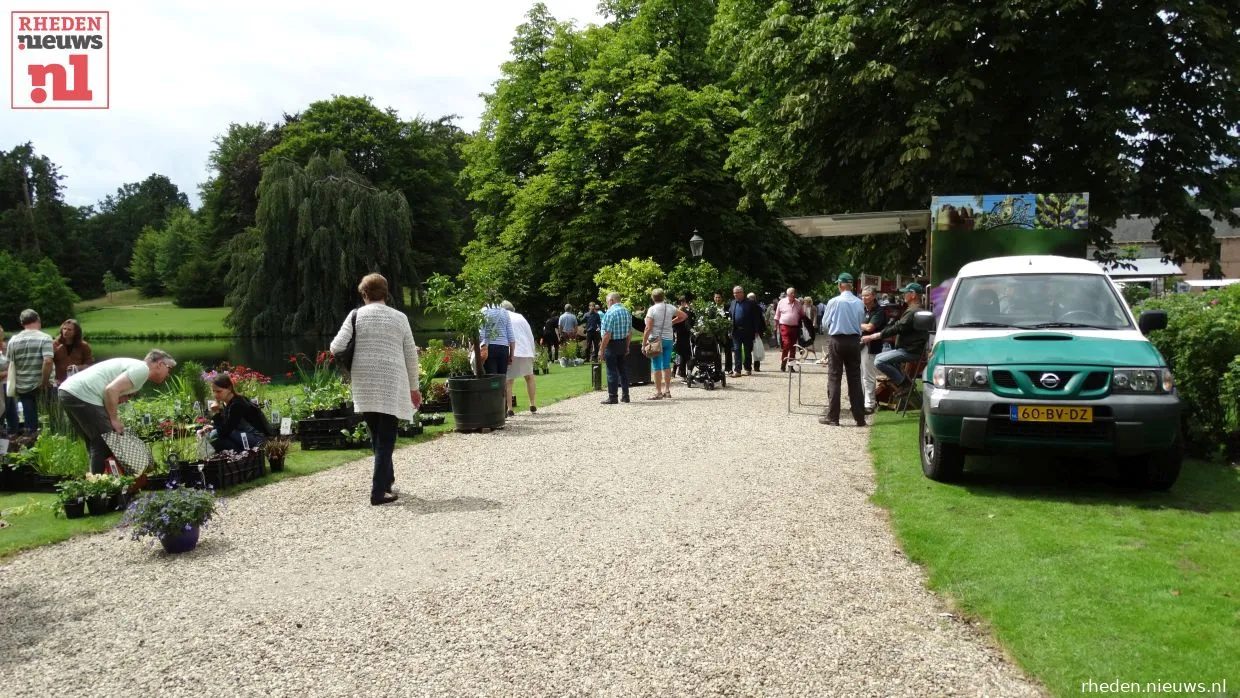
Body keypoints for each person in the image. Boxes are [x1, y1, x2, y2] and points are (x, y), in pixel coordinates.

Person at [330, 273, 421, 506]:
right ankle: (378, 492)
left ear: (364, 294)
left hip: (364, 383)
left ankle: (386, 480)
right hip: (391, 383)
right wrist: (414, 388)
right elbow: (411, 356)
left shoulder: (355, 316)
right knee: (386, 439)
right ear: (386, 293)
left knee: (377, 435)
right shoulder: (400, 318)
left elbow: (336, 347)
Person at [58, 350, 176, 474]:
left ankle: (98, 483)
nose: (169, 374)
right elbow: (111, 390)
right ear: (160, 364)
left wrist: (120, 398)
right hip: (82, 393)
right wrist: (114, 420)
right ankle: (99, 486)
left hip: (69, 391)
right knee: (104, 442)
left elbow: (111, 390)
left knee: (97, 442)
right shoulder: (142, 369)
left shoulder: (137, 368)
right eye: (170, 369)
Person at [863, 283, 930, 398]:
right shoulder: (914, 309)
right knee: (879, 358)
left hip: (910, 350)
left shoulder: (913, 311)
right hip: (908, 348)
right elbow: (898, 327)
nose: (904, 295)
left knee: (879, 361)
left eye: (906, 292)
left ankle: (904, 384)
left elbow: (897, 328)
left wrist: (872, 336)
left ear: (913, 295)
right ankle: (902, 381)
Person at [819, 273, 867, 427]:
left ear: (840, 285)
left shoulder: (834, 302)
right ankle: (859, 417)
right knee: (855, 378)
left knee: (834, 378)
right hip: (854, 341)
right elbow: (861, 322)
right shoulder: (859, 303)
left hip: (837, 340)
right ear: (851, 285)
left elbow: (825, 325)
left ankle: (833, 417)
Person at [5, 309, 54, 436]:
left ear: (22, 323)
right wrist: (44, 381)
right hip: (44, 385)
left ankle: (32, 445)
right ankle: (55, 441)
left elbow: (10, 363)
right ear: (38, 320)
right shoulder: (45, 338)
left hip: (23, 387)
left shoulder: (13, 340)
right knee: (54, 417)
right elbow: (48, 361)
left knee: (30, 421)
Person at [200, 374, 272, 452]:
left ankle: (241, 453)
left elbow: (226, 431)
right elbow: (227, 425)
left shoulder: (237, 404)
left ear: (229, 388)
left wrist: (217, 413)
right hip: (242, 435)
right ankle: (237, 453)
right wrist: (212, 427)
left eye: (219, 391)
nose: (215, 395)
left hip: (257, 438)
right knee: (213, 436)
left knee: (216, 436)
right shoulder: (227, 402)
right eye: (214, 391)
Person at [643, 289, 688, 400]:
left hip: (655, 340)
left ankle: (658, 392)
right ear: (663, 297)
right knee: (666, 365)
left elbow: (648, 328)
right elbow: (684, 316)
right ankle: (667, 390)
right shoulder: (670, 307)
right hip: (668, 339)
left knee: (656, 366)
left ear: (653, 298)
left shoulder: (652, 309)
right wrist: (672, 322)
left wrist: (644, 343)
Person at [501, 300, 538, 416]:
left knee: (508, 381)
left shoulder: (502, 317)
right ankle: (532, 403)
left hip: (512, 350)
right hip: (525, 350)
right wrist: (533, 352)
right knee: (529, 377)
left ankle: (510, 408)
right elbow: (529, 334)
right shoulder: (520, 317)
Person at [599, 292, 633, 405]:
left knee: (611, 371)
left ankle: (613, 397)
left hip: (612, 344)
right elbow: (629, 332)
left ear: (612, 300)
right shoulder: (626, 311)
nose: (607, 303)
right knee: (622, 370)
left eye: (607, 301)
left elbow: (607, 334)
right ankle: (626, 395)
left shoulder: (610, 313)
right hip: (622, 343)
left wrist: (601, 349)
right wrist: (627, 346)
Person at [859, 286, 888, 414]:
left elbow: (870, 327)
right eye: (863, 295)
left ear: (874, 296)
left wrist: (855, 324)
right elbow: (865, 326)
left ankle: (869, 404)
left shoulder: (879, 311)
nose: (864, 298)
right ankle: (862, 402)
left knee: (868, 375)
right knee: (860, 374)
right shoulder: (862, 309)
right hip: (860, 345)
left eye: (867, 295)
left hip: (872, 346)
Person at [479, 293, 516, 377]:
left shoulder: (484, 311)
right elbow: (511, 335)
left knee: (492, 379)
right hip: (504, 348)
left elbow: (481, 333)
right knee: (502, 379)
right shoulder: (505, 312)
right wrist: (512, 354)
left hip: (490, 347)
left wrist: (482, 348)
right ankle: (502, 390)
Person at [729, 286, 762, 377]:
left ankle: (747, 369)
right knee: (737, 350)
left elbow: (756, 318)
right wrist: (729, 330)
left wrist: (756, 330)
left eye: (737, 292)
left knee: (747, 351)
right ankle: (737, 370)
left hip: (748, 331)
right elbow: (730, 317)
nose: (735, 294)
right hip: (736, 331)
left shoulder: (750, 303)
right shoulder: (732, 303)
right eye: (734, 293)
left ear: (742, 293)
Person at [52, 318, 93, 385]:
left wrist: (77, 367)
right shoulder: (55, 344)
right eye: (64, 329)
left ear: (76, 332)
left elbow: (90, 365)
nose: (65, 331)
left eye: (69, 330)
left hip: (76, 382)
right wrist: (53, 352)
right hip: (57, 382)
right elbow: (47, 363)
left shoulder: (83, 346)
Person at [774, 288, 803, 371]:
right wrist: (775, 326)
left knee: (793, 347)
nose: (793, 295)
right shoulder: (781, 302)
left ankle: (791, 366)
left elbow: (802, 314)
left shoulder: (798, 303)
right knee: (786, 344)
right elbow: (777, 315)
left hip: (795, 327)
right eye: (791, 294)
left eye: (794, 294)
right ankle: (783, 364)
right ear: (787, 295)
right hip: (784, 326)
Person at [673, 296, 695, 379]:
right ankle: (680, 372)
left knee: (681, 353)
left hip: (683, 333)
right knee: (683, 354)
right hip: (681, 333)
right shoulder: (683, 311)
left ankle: (679, 372)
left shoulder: (680, 310)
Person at [712, 292, 733, 373]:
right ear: (714, 298)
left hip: (726, 332)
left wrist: (730, 331)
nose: (717, 299)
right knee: (717, 351)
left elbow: (731, 319)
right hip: (716, 333)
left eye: (719, 297)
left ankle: (728, 368)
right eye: (716, 297)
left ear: (722, 298)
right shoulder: (712, 308)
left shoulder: (727, 307)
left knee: (728, 351)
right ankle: (718, 369)